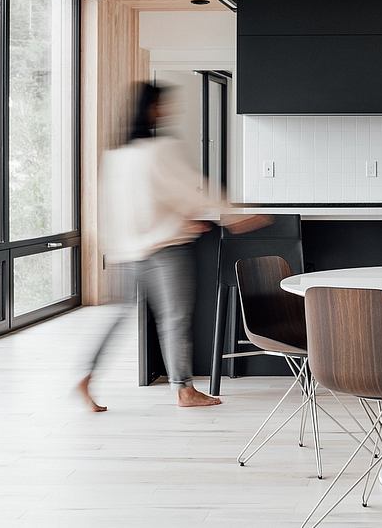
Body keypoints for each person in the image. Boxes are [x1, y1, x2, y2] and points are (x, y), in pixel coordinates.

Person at [78, 82, 271, 411]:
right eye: (162, 105)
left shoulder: (117, 156)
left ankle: (87, 377)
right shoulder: (160, 149)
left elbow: (136, 202)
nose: (167, 110)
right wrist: (232, 215)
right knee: (175, 319)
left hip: (127, 251)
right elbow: (191, 189)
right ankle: (184, 390)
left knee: (119, 318)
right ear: (152, 108)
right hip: (166, 249)